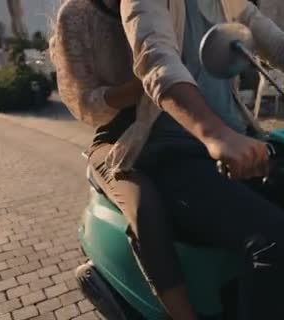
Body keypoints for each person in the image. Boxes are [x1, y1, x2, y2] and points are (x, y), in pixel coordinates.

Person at [112, 0, 284, 319]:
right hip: (174, 155)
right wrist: (215, 134)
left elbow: (277, 44)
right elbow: (157, 60)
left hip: (237, 144)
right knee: (280, 242)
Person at [48, 0, 199, 319]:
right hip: (115, 135)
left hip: (172, 122)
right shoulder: (76, 16)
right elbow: (85, 104)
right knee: (145, 207)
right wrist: (145, 85)